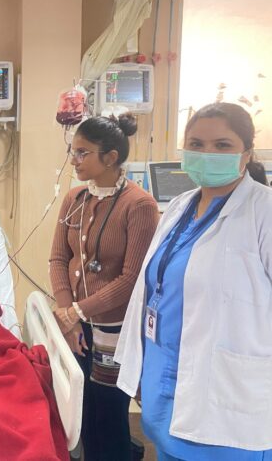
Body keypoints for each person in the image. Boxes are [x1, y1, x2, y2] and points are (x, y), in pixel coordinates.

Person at [115, 103, 272, 460]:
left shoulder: (263, 211)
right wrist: (141, 367)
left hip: (229, 402)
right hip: (165, 382)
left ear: (247, 153)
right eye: (197, 144)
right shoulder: (179, 206)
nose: (207, 153)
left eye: (222, 145)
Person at [49, 113, 159, 461]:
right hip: (75, 322)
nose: (74, 160)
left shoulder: (139, 205)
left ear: (110, 157)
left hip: (114, 327)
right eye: (73, 151)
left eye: (83, 153)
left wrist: (76, 312)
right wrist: (67, 315)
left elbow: (131, 279)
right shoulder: (75, 199)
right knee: (81, 412)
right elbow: (58, 258)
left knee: (109, 414)